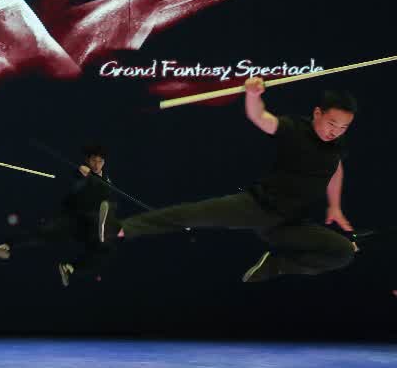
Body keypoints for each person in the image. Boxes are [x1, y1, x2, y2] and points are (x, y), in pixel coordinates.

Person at [118, 79, 358, 282]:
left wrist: (335, 206)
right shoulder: (294, 129)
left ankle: (275, 266)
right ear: (317, 113)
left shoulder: (336, 146)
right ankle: (123, 228)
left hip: (289, 223)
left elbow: (335, 168)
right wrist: (253, 95)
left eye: (344, 127)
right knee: (192, 214)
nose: (335, 131)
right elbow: (260, 117)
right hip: (259, 207)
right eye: (332, 124)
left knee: (344, 252)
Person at [0, 144, 116, 286]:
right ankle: (6, 246)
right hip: (71, 217)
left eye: (100, 161)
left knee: (103, 249)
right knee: (43, 233)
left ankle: (69, 268)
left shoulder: (107, 181)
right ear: (88, 160)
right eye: (93, 161)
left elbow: (106, 200)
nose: (96, 165)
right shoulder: (83, 172)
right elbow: (76, 180)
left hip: (87, 224)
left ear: (104, 162)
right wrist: (82, 173)